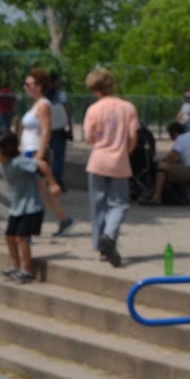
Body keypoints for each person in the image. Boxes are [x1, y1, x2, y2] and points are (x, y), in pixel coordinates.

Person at [81, 67, 139, 268]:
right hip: (119, 161)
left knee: (98, 204)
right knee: (119, 203)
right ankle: (109, 235)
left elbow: (88, 137)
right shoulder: (128, 108)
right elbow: (132, 137)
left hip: (97, 159)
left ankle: (100, 245)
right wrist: (125, 151)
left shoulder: (93, 109)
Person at [0, 129, 56, 283]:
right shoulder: (6, 162)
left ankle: (28, 269)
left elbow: (42, 165)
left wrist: (52, 184)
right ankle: (15, 265)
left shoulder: (19, 162)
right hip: (17, 208)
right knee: (9, 236)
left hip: (31, 207)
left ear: (6, 151)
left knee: (22, 238)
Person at [20, 67, 74, 236]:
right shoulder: (37, 104)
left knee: (31, 192)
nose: (25, 88)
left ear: (39, 86)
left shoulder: (43, 105)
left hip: (35, 151)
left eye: (29, 84)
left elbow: (46, 131)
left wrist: (40, 154)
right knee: (38, 191)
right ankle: (64, 219)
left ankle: (29, 227)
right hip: (29, 150)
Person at [152, 121, 190, 203]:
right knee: (173, 166)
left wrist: (159, 161)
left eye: (170, 135)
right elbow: (179, 158)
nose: (170, 138)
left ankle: (156, 197)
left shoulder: (180, 139)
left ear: (175, 133)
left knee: (162, 166)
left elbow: (170, 157)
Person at [47, 75, 72, 191]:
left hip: (46, 128)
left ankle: (47, 179)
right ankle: (56, 180)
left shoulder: (43, 96)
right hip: (58, 129)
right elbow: (67, 110)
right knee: (58, 157)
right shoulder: (60, 95)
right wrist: (69, 127)